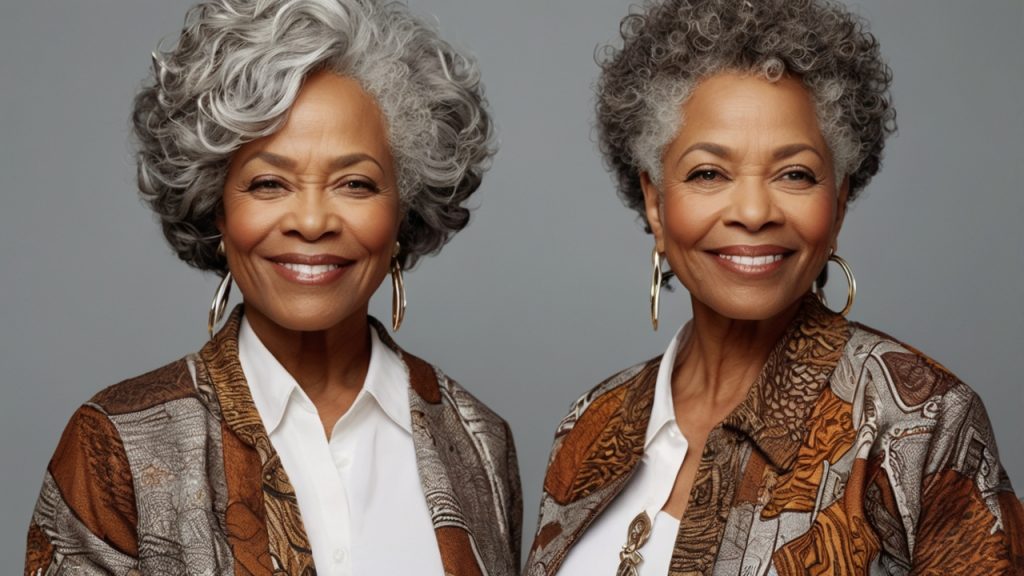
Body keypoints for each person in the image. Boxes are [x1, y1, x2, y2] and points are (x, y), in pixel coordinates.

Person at [525, 0, 1023, 574]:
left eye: (795, 174)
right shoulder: (591, 423)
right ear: (656, 202)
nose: (756, 211)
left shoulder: (922, 424)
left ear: (836, 205)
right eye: (709, 173)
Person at [25, 0, 521, 574]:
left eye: (355, 184)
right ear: (216, 208)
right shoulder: (117, 446)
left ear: (403, 213)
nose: (311, 222)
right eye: (268, 183)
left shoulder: (479, 440)